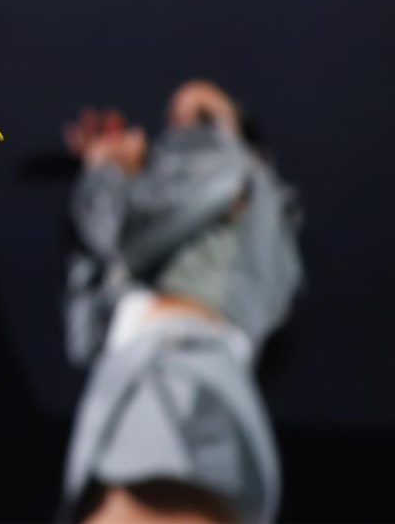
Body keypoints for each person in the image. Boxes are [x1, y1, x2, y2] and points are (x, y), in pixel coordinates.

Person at [60, 80, 304, 523]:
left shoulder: (243, 170)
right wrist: (109, 173)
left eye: (204, 119)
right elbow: (84, 333)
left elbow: (124, 235)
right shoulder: (172, 217)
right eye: (175, 122)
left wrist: (110, 171)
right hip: (126, 372)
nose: (183, 133)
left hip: (183, 366)